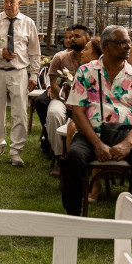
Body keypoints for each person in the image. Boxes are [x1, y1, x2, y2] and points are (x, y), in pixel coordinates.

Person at [60, 25, 132, 217]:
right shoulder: (86, 72)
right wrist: (97, 144)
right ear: (107, 46)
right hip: (92, 133)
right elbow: (77, 112)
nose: (129, 46)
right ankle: (73, 216)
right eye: (122, 42)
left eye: (129, 42)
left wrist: (127, 144)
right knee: (73, 159)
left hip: (126, 133)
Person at [0, 0, 40, 166]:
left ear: (19, 3)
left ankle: (16, 150)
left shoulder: (28, 23)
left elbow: (34, 52)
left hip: (19, 72)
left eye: (12, 2)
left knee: (20, 111)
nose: (8, 5)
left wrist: (34, 75)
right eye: (6, 1)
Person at [43, 24, 90, 165]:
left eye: (77, 36)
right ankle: (59, 156)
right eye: (70, 36)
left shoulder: (95, 60)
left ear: (88, 39)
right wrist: (65, 100)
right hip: (63, 98)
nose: (71, 40)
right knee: (54, 113)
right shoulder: (60, 57)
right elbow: (53, 83)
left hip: (88, 103)